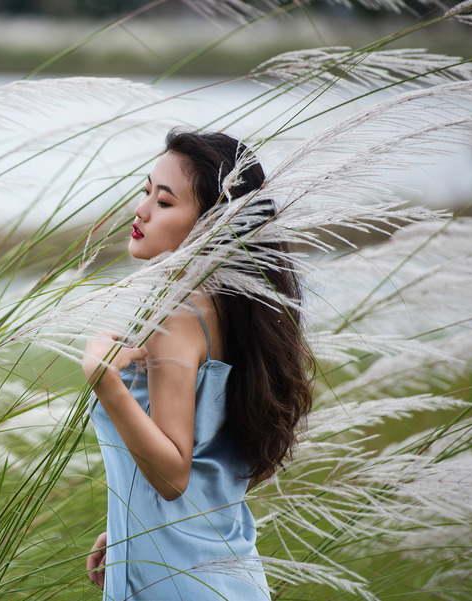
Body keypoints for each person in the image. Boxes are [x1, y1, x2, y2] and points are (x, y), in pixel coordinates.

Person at [82, 129, 314, 600]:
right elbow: (223, 464)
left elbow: (172, 476)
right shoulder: (232, 309)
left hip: (180, 585)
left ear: (212, 224)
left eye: (165, 202)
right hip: (213, 573)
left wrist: (103, 379)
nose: (141, 210)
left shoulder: (179, 312)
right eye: (146, 191)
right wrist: (131, 529)